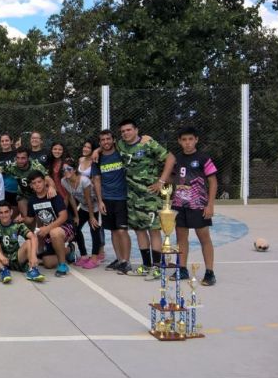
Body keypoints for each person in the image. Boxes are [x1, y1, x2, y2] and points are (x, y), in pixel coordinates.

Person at [160, 126, 218, 286]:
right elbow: (173, 178)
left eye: (190, 139)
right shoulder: (176, 159)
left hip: (198, 205)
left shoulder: (203, 158)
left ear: (196, 140)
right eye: (184, 140)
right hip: (179, 204)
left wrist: (210, 205)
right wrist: (159, 179)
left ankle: (210, 272)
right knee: (181, 238)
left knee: (204, 238)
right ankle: (182, 269)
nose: (187, 143)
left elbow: (213, 182)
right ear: (179, 141)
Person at [117, 119, 169, 279]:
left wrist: (161, 181)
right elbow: (106, 146)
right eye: (123, 131)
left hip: (149, 196)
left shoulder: (148, 143)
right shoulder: (121, 145)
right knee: (139, 230)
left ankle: (157, 267)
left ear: (136, 130)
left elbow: (170, 159)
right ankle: (146, 265)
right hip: (132, 197)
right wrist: (97, 151)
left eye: (128, 130)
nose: (125, 133)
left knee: (153, 231)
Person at [92, 129, 130, 274]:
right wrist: (100, 201)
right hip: (106, 199)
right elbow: (96, 180)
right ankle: (119, 260)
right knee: (113, 231)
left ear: (113, 140)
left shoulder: (121, 153)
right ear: (100, 142)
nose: (106, 142)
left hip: (121, 198)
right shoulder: (98, 159)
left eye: (108, 139)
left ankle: (126, 262)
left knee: (122, 230)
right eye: (102, 140)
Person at [23, 171, 74, 277]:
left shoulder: (53, 195)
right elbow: (30, 219)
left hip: (64, 227)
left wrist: (47, 229)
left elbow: (63, 216)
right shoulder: (32, 200)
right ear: (31, 186)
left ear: (44, 182)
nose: (37, 185)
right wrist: (20, 219)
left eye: (39, 182)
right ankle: (69, 250)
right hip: (49, 230)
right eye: (34, 183)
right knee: (48, 263)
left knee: (54, 232)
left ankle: (62, 265)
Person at [61, 157, 104, 269]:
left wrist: (91, 217)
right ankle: (84, 255)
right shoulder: (64, 181)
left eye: (69, 169)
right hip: (84, 207)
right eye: (64, 170)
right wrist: (76, 216)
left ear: (75, 170)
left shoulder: (84, 181)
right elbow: (71, 198)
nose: (66, 171)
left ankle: (94, 258)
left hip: (95, 206)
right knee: (75, 228)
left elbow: (89, 199)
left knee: (94, 229)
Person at [0, 201, 44, 283]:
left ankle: (32, 270)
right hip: (0, 258)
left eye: (6, 212)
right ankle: (4, 271)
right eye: (1, 213)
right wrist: (0, 256)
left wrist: (33, 255)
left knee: (29, 242)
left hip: (15, 257)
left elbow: (33, 237)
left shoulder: (18, 225)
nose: (4, 215)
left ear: (11, 212)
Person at [0, 147, 53, 222]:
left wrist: (51, 187)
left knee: (41, 218)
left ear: (28, 158)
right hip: (23, 195)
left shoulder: (36, 166)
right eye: (18, 158)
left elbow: (48, 178)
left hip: (37, 194)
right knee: (28, 220)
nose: (20, 161)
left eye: (23, 158)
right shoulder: (13, 166)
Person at [0, 133, 19, 211]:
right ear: (0, 143)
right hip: (4, 190)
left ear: (11, 141)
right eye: (2, 141)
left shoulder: (17, 154)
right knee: (5, 212)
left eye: (7, 140)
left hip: (19, 189)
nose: (4, 143)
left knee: (18, 212)